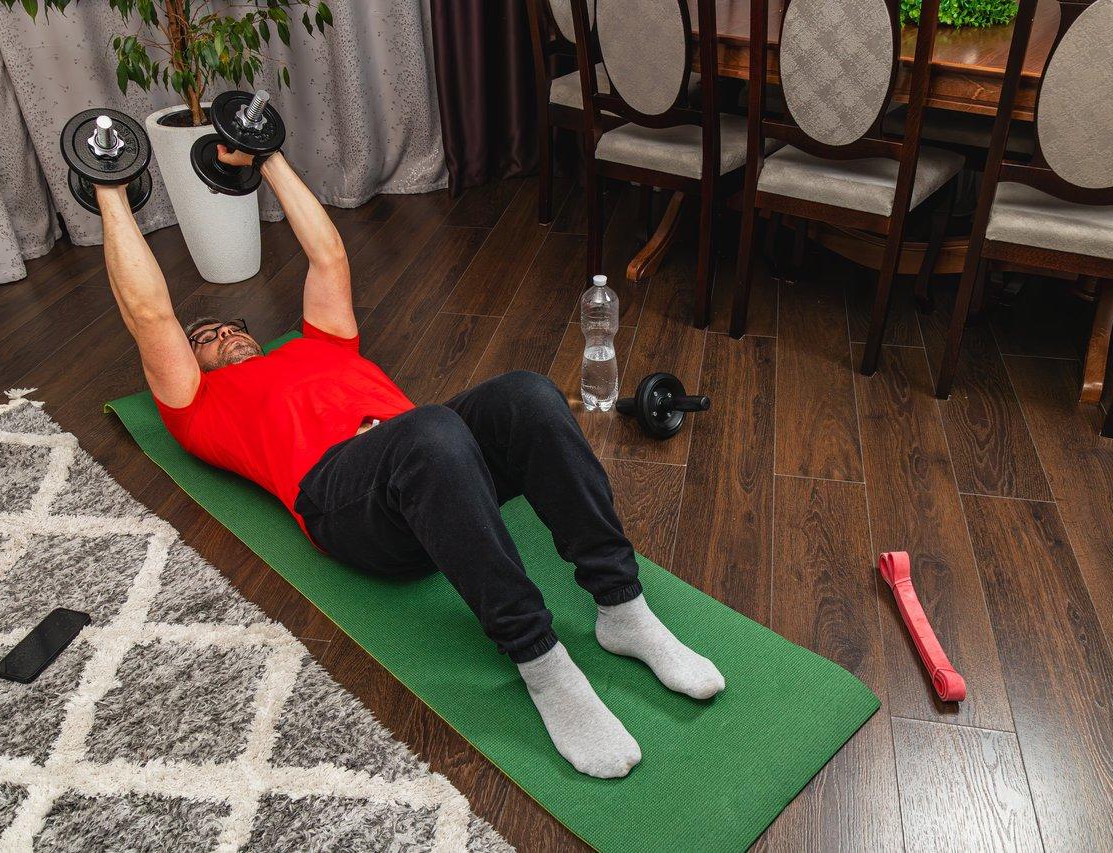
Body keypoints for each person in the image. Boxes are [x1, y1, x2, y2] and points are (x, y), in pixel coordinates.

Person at [94, 146, 724, 779]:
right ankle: (541, 660)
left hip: (439, 465)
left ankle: (622, 609)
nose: (222, 337)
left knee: (528, 396)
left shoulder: (320, 346)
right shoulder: (199, 404)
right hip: (346, 496)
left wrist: (268, 157)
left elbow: (328, 256)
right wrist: (111, 190)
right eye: (203, 341)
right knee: (431, 431)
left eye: (228, 328)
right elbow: (150, 314)